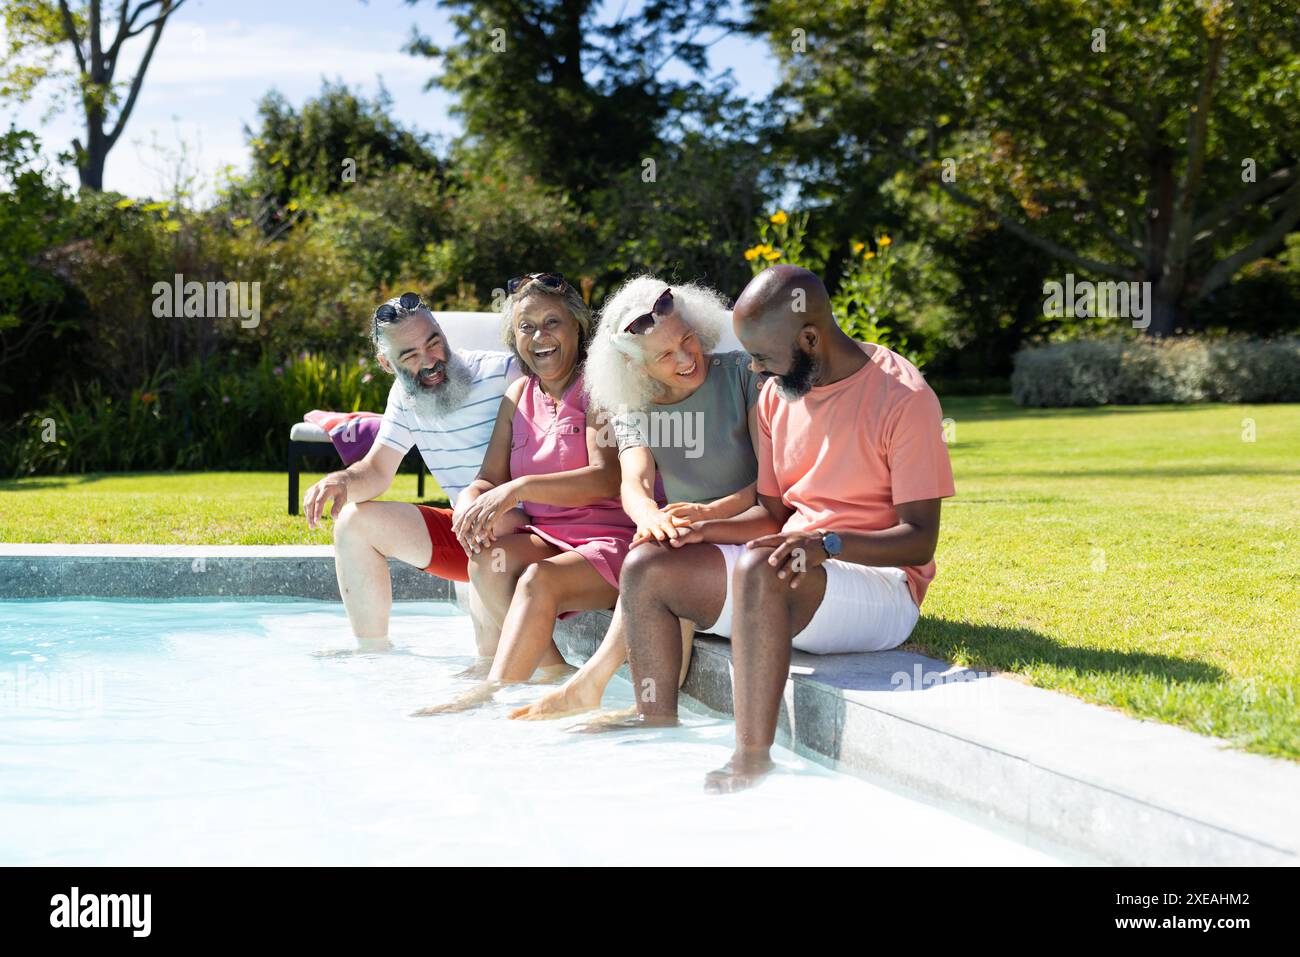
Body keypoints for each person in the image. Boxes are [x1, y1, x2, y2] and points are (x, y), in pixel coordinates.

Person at [618, 265, 956, 792]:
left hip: (881, 586)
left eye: (765, 357)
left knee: (763, 565)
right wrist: (699, 530)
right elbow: (772, 518)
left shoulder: (904, 398)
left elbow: (919, 539)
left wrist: (827, 544)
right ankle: (656, 729)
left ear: (810, 339)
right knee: (648, 566)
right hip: (788, 570)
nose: (754, 370)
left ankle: (752, 759)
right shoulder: (778, 393)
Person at [510, 275, 762, 721]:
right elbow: (634, 482)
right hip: (693, 537)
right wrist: (648, 515)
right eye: (665, 354)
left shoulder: (743, 375)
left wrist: (710, 513)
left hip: (752, 526)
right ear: (638, 367)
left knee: (665, 554)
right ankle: (642, 710)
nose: (687, 358)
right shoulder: (634, 407)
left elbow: (774, 485)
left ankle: (591, 685)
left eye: (687, 339)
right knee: (657, 548)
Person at [415, 272, 637, 714]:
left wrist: (519, 490)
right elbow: (487, 476)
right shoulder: (517, 394)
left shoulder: (599, 386)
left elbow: (606, 478)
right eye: (526, 327)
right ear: (515, 339)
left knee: (538, 580)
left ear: (577, 326)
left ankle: (492, 694)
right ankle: (551, 672)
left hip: (613, 540)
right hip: (548, 538)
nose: (540, 336)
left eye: (552, 322)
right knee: (486, 561)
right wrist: (469, 504)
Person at [302, 291, 524, 656]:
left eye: (433, 343)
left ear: (441, 332)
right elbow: (376, 470)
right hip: (467, 531)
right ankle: (372, 653)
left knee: (492, 660)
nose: (430, 361)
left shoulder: (503, 373)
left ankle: (490, 676)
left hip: (520, 533)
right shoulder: (404, 398)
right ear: (387, 363)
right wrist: (341, 481)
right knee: (353, 523)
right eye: (410, 355)